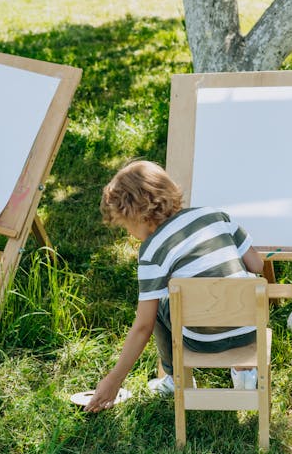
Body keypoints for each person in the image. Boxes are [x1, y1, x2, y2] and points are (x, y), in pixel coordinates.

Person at [85, 159, 264, 412]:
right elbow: (257, 265)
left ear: (138, 214)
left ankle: (174, 378)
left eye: (126, 225)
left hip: (200, 338)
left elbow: (143, 327)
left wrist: (114, 380)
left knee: (156, 305)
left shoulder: (151, 251)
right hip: (249, 329)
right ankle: (245, 370)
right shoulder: (215, 215)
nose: (128, 232)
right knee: (246, 283)